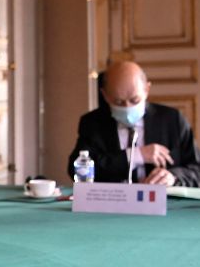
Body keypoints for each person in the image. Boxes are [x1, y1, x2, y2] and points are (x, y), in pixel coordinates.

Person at [67, 60, 200, 186]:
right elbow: (77, 170)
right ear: (105, 95)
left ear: (147, 90)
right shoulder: (92, 123)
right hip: (112, 204)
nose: (127, 107)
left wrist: (173, 176)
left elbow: (196, 169)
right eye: (118, 102)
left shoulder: (172, 120)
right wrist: (136, 155)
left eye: (134, 100)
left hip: (165, 204)